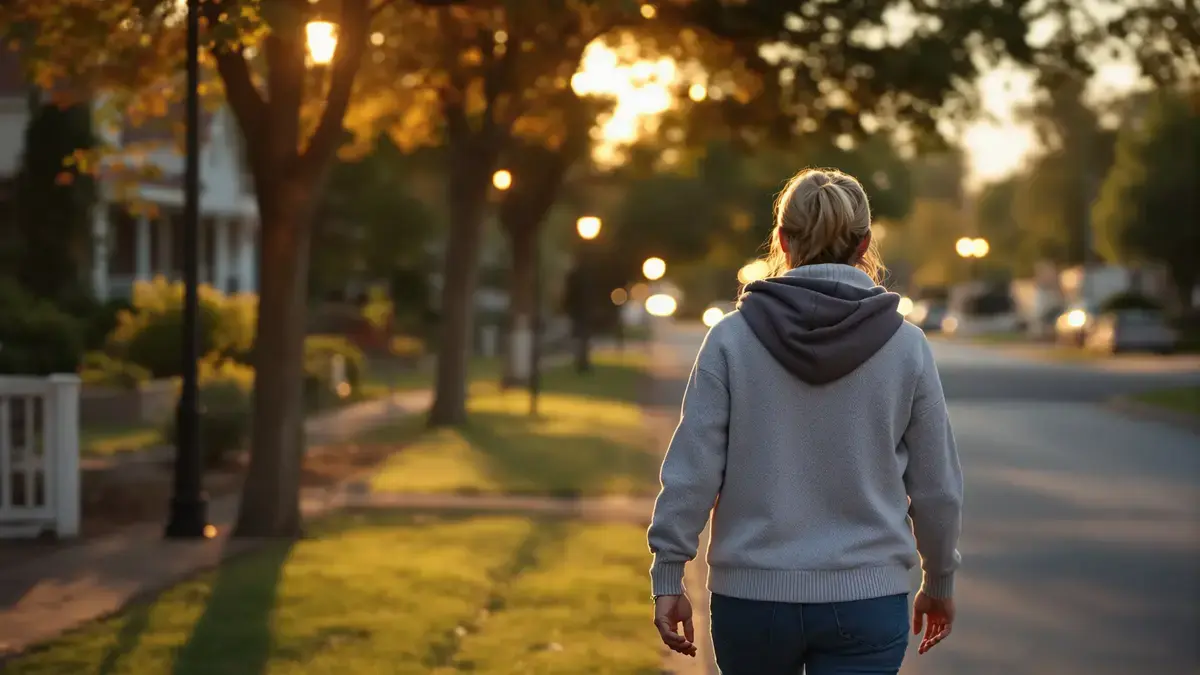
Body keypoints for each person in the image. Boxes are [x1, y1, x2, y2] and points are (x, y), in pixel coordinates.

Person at [648, 168, 963, 674]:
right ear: (864, 244)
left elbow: (693, 472)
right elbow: (937, 487)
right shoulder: (907, 346)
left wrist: (668, 574)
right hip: (866, 599)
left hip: (751, 602)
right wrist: (940, 580)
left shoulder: (731, 339)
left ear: (781, 240)